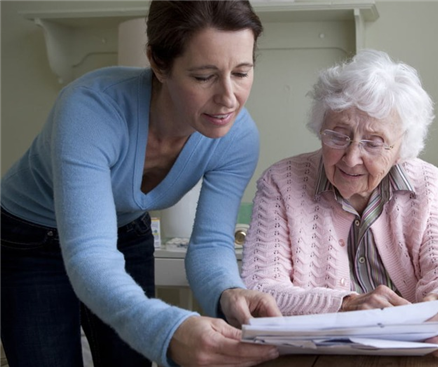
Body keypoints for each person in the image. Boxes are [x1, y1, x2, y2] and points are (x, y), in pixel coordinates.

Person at [0, 0, 282, 366]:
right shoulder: (90, 110)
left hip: (126, 228)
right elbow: (90, 255)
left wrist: (229, 291)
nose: (228, 98)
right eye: (203, 76)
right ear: (158, 63)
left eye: (242, 73)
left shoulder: (238, 137)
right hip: (27, 239)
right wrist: (169, 329)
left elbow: (212, 242)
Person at [241, 49, 438, 357]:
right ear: (320, 129)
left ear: (401, 148)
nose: (352, 158)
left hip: (422, 355)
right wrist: (347, 305)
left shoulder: (425, 183)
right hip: (320, 358)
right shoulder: (280, 183)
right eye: (338, 136)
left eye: (374, 142)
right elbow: (261, 291)